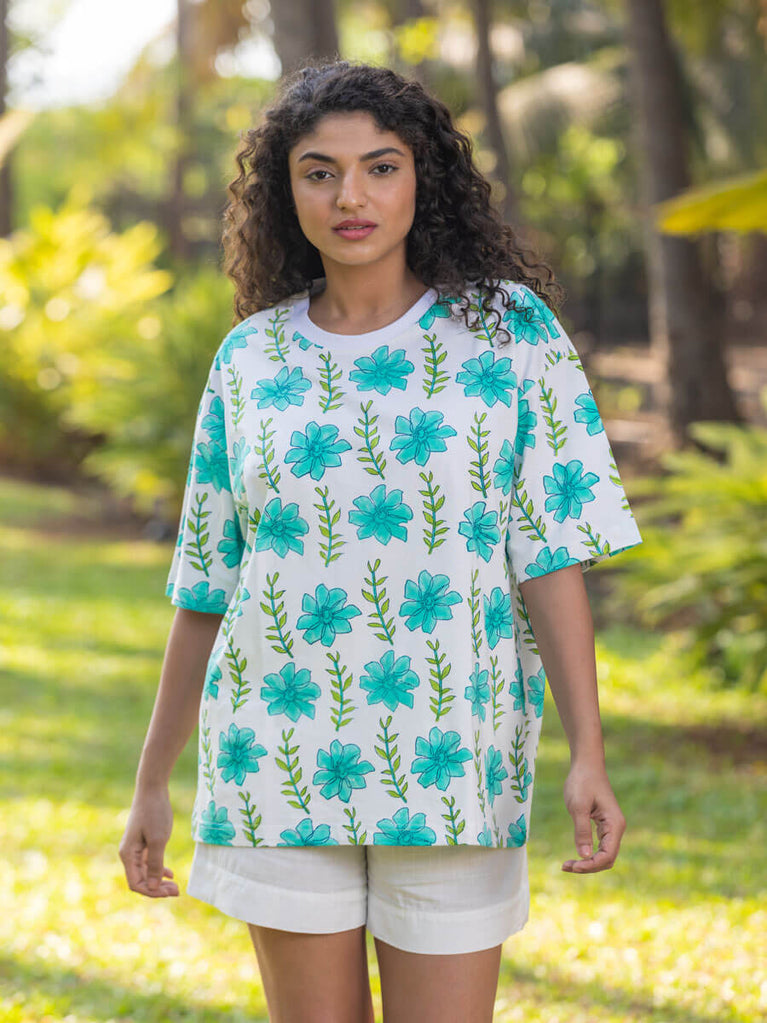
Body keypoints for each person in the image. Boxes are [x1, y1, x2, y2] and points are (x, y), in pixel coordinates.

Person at [119, 59, 643, 1023]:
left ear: (421, 178)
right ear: (286, 193)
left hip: (454, 763)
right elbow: (207, 584)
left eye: (380, 167)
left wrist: (587, 754)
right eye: (318, 172)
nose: (349, 197)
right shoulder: (250, 358)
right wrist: (152, 782)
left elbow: (551, 556)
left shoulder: (509, 334)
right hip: (275, 759)